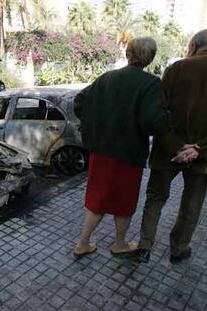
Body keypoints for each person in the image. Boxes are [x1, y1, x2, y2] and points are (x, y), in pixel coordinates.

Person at [72, 37, 169, 258]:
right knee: (124, 201)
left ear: (128, 54)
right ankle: (119, 244)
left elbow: (79, 103)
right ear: (151, 58)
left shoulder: (107, 77)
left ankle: (83, 244)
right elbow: (152, 122)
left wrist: (99, 123)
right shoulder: (151, 83)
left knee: (97, 200)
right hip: (128, 154)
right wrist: (167, 117)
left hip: (101, 152)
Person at [133, 29, 207, 264]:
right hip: (202, 157)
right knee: (191, 205)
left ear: (193, 46)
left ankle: (144, 246)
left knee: (155, 198)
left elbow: (158, 114)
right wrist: (198, 149)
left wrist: (177, 147)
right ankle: (178, 249)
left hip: (168, 151)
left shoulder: (176, 69)